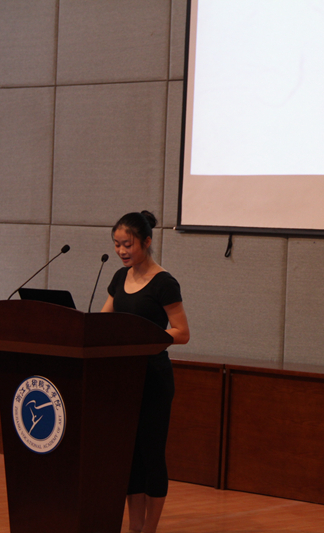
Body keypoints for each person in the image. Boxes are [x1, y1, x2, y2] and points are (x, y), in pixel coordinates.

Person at [100, 211, 190, 533]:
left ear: (147, 241)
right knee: (131, 457)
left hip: (153, 378)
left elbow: (182, 332)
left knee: (151, 454)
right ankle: (134, 527)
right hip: (124, 379)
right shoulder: (118, 277)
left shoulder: (164, 283)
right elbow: (104, 322)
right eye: (117, 244)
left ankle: (149, 529)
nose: (121, 251)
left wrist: (146, 337)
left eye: (128, 244)